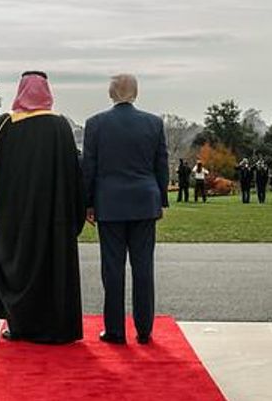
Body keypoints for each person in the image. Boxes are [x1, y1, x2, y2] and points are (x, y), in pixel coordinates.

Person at [0, 71, 85, 344]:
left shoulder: (4, 125)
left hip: (13, 217)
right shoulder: (60, 126)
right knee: (51, 270)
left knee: (16, 268)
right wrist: (77, 212)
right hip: (52, 217)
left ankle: (20, 325)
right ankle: (54, 328)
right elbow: (74, 174)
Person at [82, 73, 168, 345]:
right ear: (136, 93)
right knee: (144, 268)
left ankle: (116, 330)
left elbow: (90, 168)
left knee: (113, 269)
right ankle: (144, 329)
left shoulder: (96, 124)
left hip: (110, 202)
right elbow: (161, 166)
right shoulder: (153, 123)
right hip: (144, 201)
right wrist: (160, 199)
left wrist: (88, 202)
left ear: (111, 93)